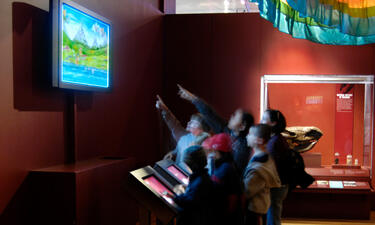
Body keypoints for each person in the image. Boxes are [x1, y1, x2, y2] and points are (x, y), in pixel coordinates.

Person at [178, 85, 254, 176]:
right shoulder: (228, 131)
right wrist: (193, 98)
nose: (231, 116)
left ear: (242, 126)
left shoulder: (243, 147)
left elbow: (235, 173)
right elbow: (210, 114)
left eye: (235, 116)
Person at [156, 95, 210, 170]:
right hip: (179, 173)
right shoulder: (185, 137)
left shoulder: (206, 145)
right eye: (190, 121)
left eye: (194, 122)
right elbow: (174, 125)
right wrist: (173, 152)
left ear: (202, 129)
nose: (189, 123)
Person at [243, 124, 281, 225]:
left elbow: (247, 191)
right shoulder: (263, 157)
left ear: (259, 140)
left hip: (255, 210)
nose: (247, 136)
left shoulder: (259, 167)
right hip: (260, 207)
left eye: (250, 134)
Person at [202, 133, 242, 225]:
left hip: (225, 215)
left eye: (213, 150)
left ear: (218, 150)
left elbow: (233, 195)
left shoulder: (227, 167)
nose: (211, 153)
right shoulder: (218, 164)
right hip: (220, 212)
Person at [170, 145, 216, 225]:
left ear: (192, 163)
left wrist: (175, 197)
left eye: (187, 163)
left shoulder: (200, 181)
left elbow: (189, 202)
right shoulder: (203, 177)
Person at [260, 109, 289, 225]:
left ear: (273, 123)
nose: (261, 121)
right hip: (278, 185)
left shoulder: (274, 142)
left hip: (276, 186)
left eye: (263, 119)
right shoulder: (276, 139)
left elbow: (271, 168)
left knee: (273, 219)